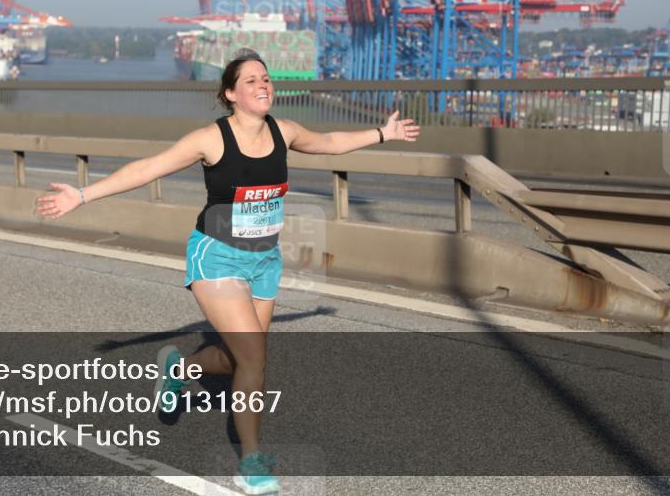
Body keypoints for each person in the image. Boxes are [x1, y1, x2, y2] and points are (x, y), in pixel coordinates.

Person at [37, 50, 419, 494]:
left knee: (240, 357)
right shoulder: (211, 139)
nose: (264, 85)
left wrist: (381, 133)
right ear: (231, 94)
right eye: (252, 80)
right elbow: (147, 169)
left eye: (267, 79)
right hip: (216, 256)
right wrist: (82, 195)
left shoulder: (285, 131)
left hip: (264, 260)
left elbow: (330, 141)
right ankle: (250, 460)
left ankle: (180, 370)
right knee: (254, 357)